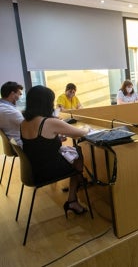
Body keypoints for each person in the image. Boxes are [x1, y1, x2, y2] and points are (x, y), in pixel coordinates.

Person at [20, 85, 90, 215]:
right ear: (46, 103)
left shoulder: (24, 123)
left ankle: (77, 184)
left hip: (32, 170)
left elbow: (38, 144)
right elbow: (81, 133)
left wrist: (56, 138)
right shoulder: (49, 122)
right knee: (78, 156)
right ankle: (73, 199)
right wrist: (86, 127)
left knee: (72, 153)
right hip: (47, 171)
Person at [0, 81, 24, 146]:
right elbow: (27, 126)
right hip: (20, 144)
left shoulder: (3, 107)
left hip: (12, 143)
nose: (20, 96)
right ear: (13, 94)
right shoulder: (10, 111)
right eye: (19, 94)